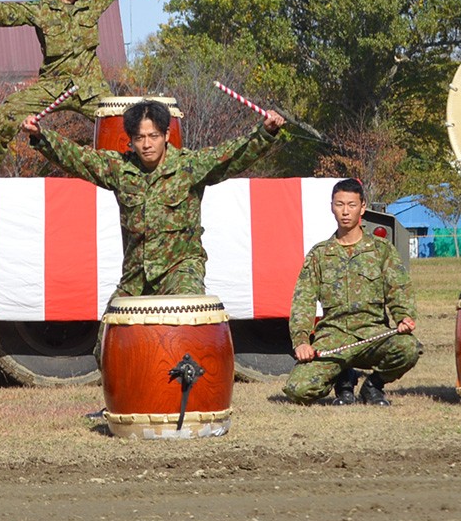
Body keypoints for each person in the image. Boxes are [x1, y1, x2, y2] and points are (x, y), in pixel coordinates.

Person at [26, 97, 282, 296]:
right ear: (131, 140)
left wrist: (265, 133)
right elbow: (77, 157)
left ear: (166, 136)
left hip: (180, 271)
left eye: (153, 137)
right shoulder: (119, 169)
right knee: (109, 337)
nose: (147, 144)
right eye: (139, 138)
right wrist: (40, 135)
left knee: (186, 317)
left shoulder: (189, 166)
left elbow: (232, 154)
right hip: (136, 276)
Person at [0, 0, 162, 169]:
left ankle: (141, 168)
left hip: (89, 87)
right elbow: (9, 12)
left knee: (123, 122)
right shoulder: (42, 9)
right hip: (53, 85)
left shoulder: (93, 1)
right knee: (9, 110)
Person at [284, 179, 419, 406]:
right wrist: (301, 342)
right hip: (332, 340)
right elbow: (303, 301)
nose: (345, 212)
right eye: (339, 205)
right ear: (332, 207)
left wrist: (404, 317)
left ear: (362, 207)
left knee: (408, 348)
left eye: (352, 205)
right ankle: (342, 377)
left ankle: (372, 386)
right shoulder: (320, 254)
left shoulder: (381, 250)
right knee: (298, 390)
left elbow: (399, 289)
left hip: (371, 335)